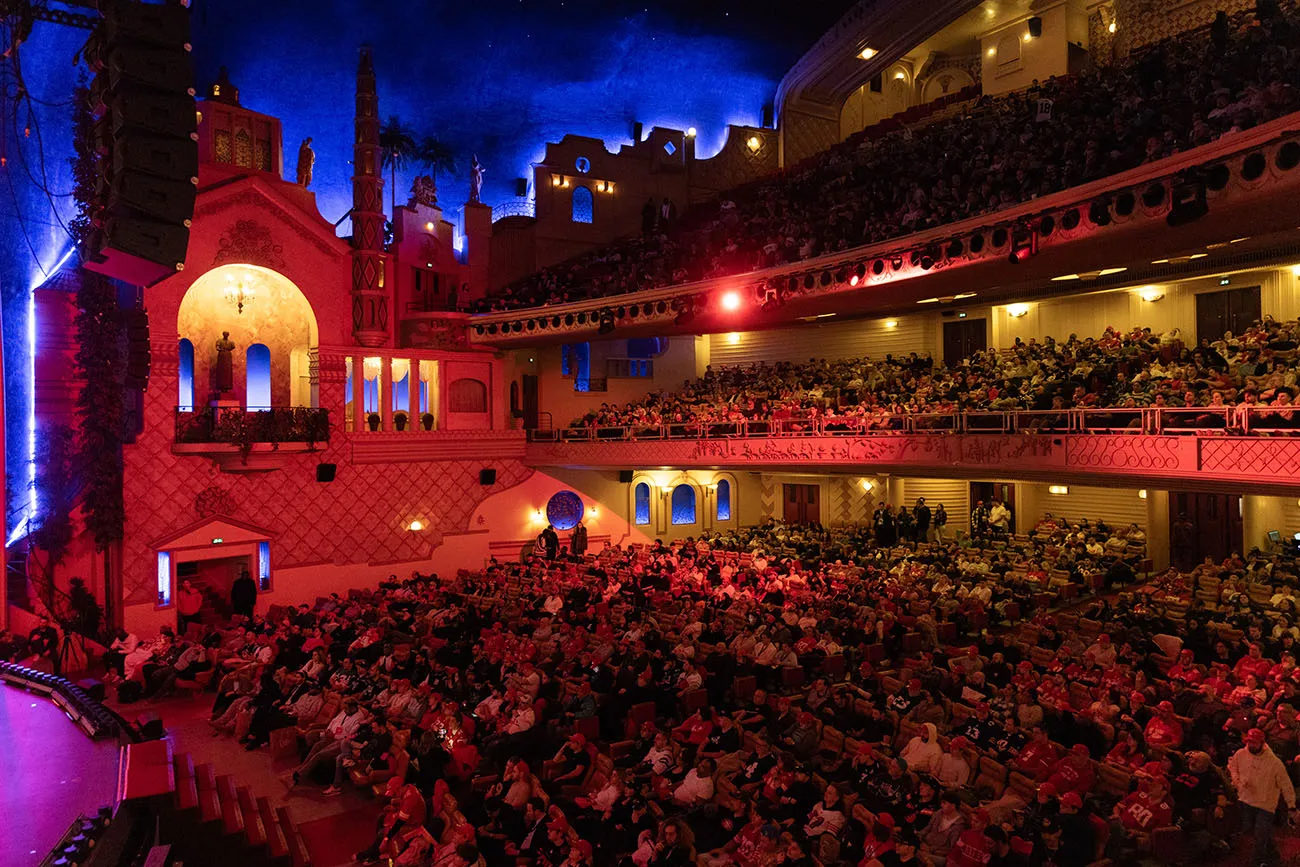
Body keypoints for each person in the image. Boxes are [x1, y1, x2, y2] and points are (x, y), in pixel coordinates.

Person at [1228, 727, 1297, 865]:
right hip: (1246, 800)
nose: (1251, 745)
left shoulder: (1274, 763)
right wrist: (1237, 782)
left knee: (1260, 835)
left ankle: (1257, 862)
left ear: (1262, 742)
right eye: (1249, 742)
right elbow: (1233, 768)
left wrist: (1291, 805)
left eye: (1254, 742)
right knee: (1255, 831)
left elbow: (1285, 784)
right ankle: (1273, 855)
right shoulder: (1240, 754)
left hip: (1265, 805)